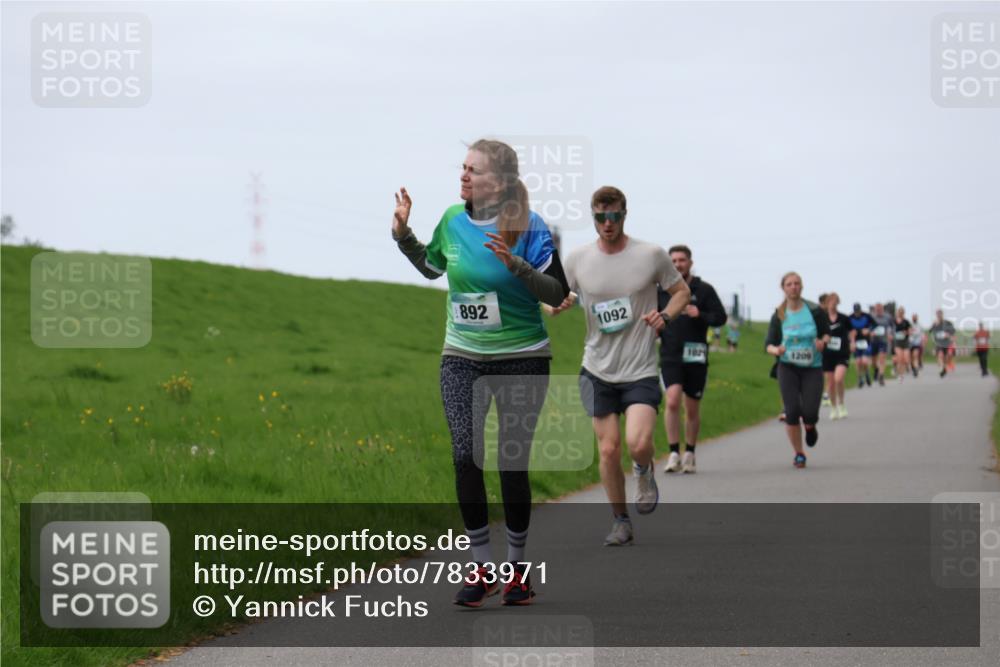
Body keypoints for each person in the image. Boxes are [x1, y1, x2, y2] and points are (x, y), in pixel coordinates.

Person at [392, 139, 570, 607]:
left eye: (474, 170)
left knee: (511, 462)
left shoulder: (529, 227)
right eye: (463, 168)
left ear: (501, 182)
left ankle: (516, 569)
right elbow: (432, 268)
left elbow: (556, 292)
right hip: (462, 355)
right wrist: (403, 236)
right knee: (464, 456)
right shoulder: (452, 220)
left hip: (523, 355)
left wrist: (518, 265)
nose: (464, 176)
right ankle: (481, 564)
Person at [552, 186, 689, 546]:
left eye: (614, 216)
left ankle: (644, 471)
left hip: (640, 367)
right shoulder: (579, 259)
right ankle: (620, 520)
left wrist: (666, 317)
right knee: (609, 449)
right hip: (596, 368)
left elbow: (681, 293)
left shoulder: (650, 254)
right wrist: (557, 304)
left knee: (638, 442)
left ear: (624, 215)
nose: (607, 223)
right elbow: (551, 301)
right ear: (593, 217)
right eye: (600, 217)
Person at [657, 245, 727, 474]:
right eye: (674, 261)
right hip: (670, 355)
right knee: (673, 400)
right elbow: (652, 315)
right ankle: (673, 453)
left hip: (696, 356)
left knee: (692, 408)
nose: (678, 264)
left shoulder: (704, 290)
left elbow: (721, 318)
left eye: (682, 260)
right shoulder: (661, 291)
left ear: (690, 262)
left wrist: (701, 315)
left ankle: (690, 453)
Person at [765, 272, 830, 469]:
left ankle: (810, 426)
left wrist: (822, 342)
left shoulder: (815, 310)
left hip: (812, 366)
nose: (793, 287)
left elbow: (826, 334)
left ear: (801, 287)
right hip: (787, 366)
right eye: (789, 284)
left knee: (810, 411)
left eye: (797, 284)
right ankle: (799, 453)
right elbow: (768, 344)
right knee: (792, 411)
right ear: (783, 288)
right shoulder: (779, 313)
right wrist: (777, 349)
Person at [822, 292, 853, 420]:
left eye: (835, 302)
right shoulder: (822, 319)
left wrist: (853, 342)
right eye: (830, 302)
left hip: (842, 353)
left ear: (838, 303)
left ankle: (841, 404)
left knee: (838, 379)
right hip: (827, 354)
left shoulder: (844, 318)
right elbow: (817, 333)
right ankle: (834, 408)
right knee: (830, 383)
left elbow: (852, 331)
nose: (833, 305)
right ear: (826, 303)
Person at [848, 303, 874, 387]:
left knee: (865, 361)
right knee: (858, 362)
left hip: (866, 342)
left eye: (858, 311)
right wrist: (851, 336)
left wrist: (868, 330)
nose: (857, 313)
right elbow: (847, 329)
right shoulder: (850, 318)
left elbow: (875, 324)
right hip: (855, 343)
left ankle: (867, 373)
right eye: (856, 311)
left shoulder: (867, 316)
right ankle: (860, 378)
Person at [870, 303, 894, 386]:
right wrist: (870, 332)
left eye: (880, 309)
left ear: (882, 309)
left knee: (882, 359)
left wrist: (891, 334)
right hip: (873, 341)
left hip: (883, 340)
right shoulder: (872, 317)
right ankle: (876, 369)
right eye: (877, 309)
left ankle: (881, 375)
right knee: (873, 361)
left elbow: (892, 326)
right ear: (875, 309)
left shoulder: (887, 317)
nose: (878, 311)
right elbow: (867, 326)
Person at [929, 309, 956, 378]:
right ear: (936, 315)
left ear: (942, 315)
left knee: (947, 357)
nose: (939, 315)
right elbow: (930, 331)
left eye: (940, 314)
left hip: (947, 343)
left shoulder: (947, 323)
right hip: (939, 343)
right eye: (937, 314)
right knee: (940, 356)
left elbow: (953, 331)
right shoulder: (935, 323)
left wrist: (948, 335)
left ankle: (945, 367)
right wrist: (934, 325)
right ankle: (942, 369)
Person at [892, 306, 912, 383]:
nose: (900, 313)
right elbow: (890, 330)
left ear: (903, 313)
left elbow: (910, 331)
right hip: (897, 342)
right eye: (899, 312)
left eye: (902, 312)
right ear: (897, 312)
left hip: (905, 342)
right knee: (900, 358)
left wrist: (906, 332)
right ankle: (900, 375)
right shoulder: (893, 321)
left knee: (906, 359)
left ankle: (902, 371)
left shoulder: (906, 321)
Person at [909, 313, 925, 377]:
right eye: (913, 317)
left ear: (917, 318)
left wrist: (923, 341)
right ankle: (913, 367)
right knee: (911, 358)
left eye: (915, 317)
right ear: (912, 318)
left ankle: (915, 369)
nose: (914, 318)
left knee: (915, 356)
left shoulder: (920, 325)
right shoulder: (909, 324)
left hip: (917, 343)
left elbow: (922, 334)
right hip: (910, 342)